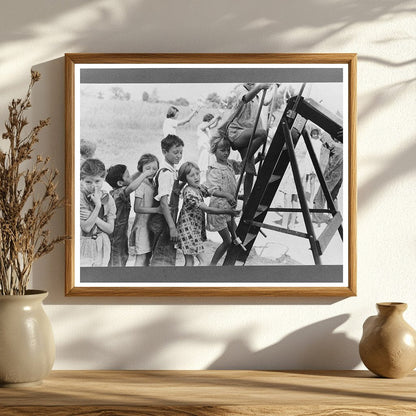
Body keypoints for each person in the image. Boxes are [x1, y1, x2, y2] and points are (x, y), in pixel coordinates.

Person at [176, 161, 240, 266]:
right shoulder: (189, 193)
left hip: (191, 229)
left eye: (197, 173)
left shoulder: (198, 188)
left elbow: (211, 191)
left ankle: (186, 280)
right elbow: (207, 209)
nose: (196, 177)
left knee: (189, 261)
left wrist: (227, 195)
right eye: (192, 175)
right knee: (204, 262)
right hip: (188, 231)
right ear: (185, 178)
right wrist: (228, 211)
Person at [218, 83, 273, 203]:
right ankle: (242, 163)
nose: (251, 82)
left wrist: (275, 87)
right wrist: (259, 87)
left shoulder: (257, 96)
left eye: (254, 81)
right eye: (248, 80)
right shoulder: (240, 89)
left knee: (250, 170)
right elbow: (246, 98)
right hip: (236, 133)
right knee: (263, 134)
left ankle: (246, 203)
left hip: (248, 136)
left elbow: (266, 101)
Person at [105, 163, 155, 267]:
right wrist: (144, 174)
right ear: (120, 183)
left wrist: (142, 169)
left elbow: (132, 179)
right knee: (116, 260)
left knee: (123, 256)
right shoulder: (119, 193)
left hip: (121, 233)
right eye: (127, 176)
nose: (130, 177)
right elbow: (132, 187)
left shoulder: (120, 188)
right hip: (115, 236)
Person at [205, 135, 242, 265]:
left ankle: (230, 262)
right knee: (227, 240)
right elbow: (211, 190)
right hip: (219, 210)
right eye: (222, 150)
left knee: (237, 235)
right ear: (214, 150)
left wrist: (255, 160)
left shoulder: (230, 164)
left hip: (228, 209)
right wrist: (227, 195)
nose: (226, 153)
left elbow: (242, 166)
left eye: (228, 149)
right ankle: (212, 265)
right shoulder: (214, 169)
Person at [148, 134, 184, 266]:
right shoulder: (165, 173)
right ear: (164, 152)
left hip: (168, 219)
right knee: (161, 258)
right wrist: (172, 227)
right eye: (175, 152)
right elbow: (164, 203)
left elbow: (172, 192)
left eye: (181, 152)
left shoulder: (172, 170)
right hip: (163, 221)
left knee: (167, 256)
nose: (179, 156)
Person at [80, 158, 116, 267]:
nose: (93, 186)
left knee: (100, 277)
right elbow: (86, 228)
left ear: (103, 179)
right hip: (84, 243)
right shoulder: (79, 197)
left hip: (102, 244)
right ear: (81, 180)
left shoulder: (108, 198)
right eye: (88, 182)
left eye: (97, 181)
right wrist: (98, 207)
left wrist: (93, 217)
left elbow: (110, 229)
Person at [129, 154, 160, 266]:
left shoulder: (154, 184)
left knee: (148, 257)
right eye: (147, 169)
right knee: (141, 257)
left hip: (151, 226)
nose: (151, 171)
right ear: (141, 169)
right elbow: (137, 208)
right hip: (142, 227)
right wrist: (156, 210)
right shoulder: (141, 184)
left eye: (154, 169)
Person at [313, 129, 343, 225]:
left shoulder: (336, 147)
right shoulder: (344, 146)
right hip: (340, 175)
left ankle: (316, 218)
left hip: (332, 174)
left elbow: (328, 144)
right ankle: (334, 218)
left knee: (321, 194)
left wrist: (325, 136)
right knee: (333, 195)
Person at [197, 113, 222, 182]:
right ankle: (202, 181)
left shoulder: (206, 127)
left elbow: (213, 125)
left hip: (207, 149)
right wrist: (216, 117)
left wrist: (217, 120)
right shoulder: (202, 125)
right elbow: (210, 124)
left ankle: (206, 180)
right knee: (203, 166)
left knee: (207, 166)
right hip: (203, 149)